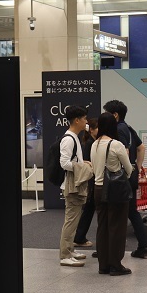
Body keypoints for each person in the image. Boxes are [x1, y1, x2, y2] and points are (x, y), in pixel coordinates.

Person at [103, 100, 147, 259]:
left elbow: (123, 151)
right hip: (131, 174)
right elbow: (141, 147)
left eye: (107, 113)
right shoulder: (129, 128)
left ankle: (111, 248)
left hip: (120, 177)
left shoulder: (117, 130)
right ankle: (143, 246)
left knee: (117, 212)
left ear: (115, 115)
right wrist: (137, 166)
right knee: (132, 211)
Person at [91, 112, 133, 276]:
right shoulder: (116, 145)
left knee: (102, 227)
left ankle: (103, 265)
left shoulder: (94, 144)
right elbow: (128, 170)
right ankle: (115, 264)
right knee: (117, 227)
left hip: (98, 188)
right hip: (115, 189)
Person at [58, 106, 92, 267]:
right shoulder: (68, 139)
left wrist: (81, 163)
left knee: (74, 219)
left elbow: (72, 161)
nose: (86, 122)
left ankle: (70, 250)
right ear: (77, 120)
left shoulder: (75, 137)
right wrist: (82, 167)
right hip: (71, 186)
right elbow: (64, 163)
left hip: (75, 184)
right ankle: (65, 255)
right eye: (84, 119)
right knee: (71, 221)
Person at [73, 117, 98, 249]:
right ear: (92, 129)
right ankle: (79, 237)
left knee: (89, 209)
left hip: (92, 181)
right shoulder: (89, 143)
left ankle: (79, 236)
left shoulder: (92, 141)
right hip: (91, 181)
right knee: (89, 209)